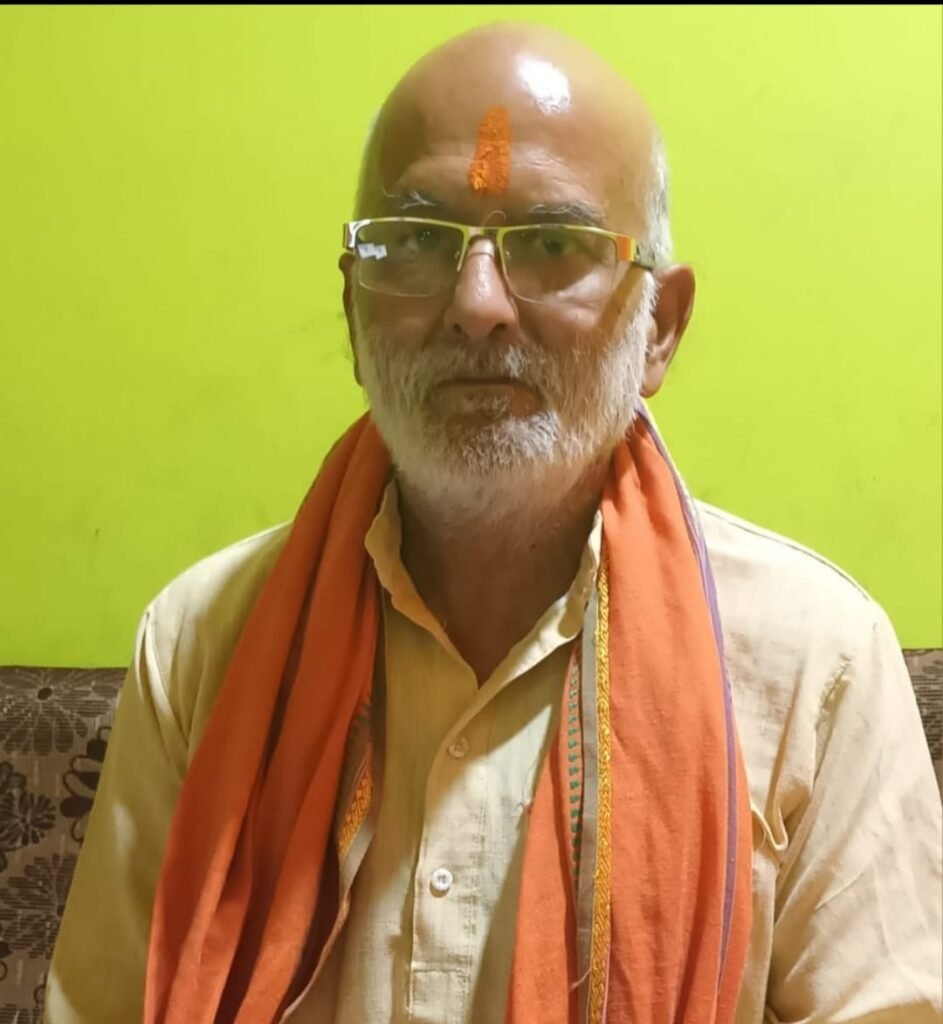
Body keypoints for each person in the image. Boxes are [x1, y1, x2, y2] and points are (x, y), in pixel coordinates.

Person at [45, 21, 941, 1024]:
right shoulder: (201, 643)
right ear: (352, 313)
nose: (476, 305)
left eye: (553, 244)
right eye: (416, 242)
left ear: (659, 328)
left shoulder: (816, 664)